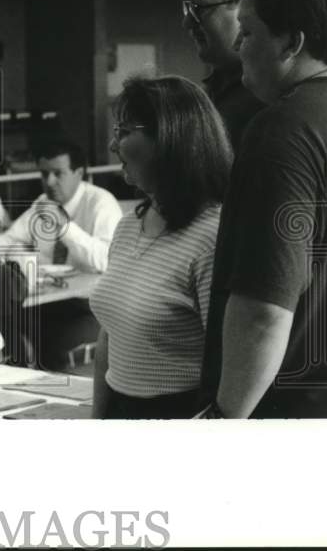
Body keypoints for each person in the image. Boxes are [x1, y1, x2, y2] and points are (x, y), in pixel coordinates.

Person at [198, 0, 327, 418]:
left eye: (248, 31)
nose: (238, 47)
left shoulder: (284, 127)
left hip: (295, 418)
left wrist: (223, 416)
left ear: (291, 43)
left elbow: (262, 311)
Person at [89, 76, 233, 418]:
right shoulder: (128, 226)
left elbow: (227, 364)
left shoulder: (212, 235)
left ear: (169, 139)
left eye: (124, 132)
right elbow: (109, 339)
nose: (112, 146)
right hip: (118, 409)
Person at [0, 138, 122, 273]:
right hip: (49, 290)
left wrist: (65, 227)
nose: (49, 182)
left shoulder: (101, 204)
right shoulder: (43, 203)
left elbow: (109, 261)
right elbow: (6, 241)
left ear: (79, 174)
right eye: (45, 174)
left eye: (58, 173)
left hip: (89, 292)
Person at [182, 0, 265, 150]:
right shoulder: (212, 90)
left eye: (198, 8)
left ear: (245, 6)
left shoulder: (269, 97)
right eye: (187, 8)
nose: (187, 22)